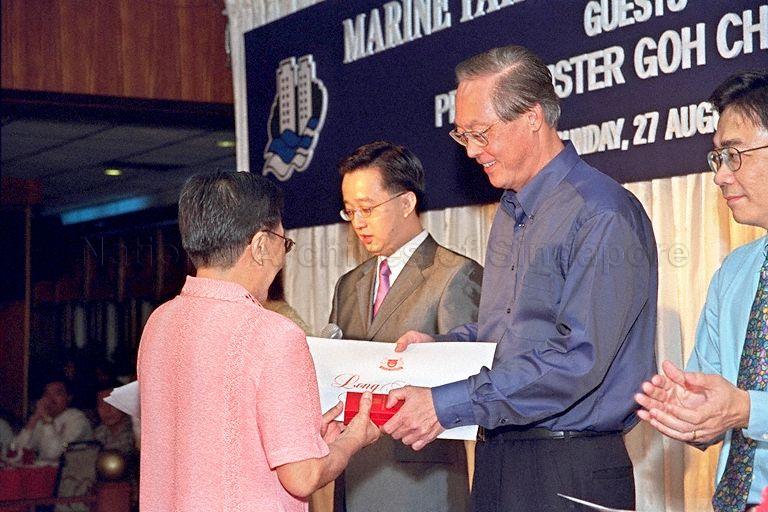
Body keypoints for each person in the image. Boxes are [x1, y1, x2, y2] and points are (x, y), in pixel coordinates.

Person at [386, 45, 658, 511]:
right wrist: (446, 347)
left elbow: (578, 359)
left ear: (533, 116)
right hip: (499, 456)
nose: (471, 151)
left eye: (481, 133)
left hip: (570, 464)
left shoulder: (601, 213)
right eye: (462, 135)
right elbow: (516, 330)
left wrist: (449, 403)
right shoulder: (512, 211)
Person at [137, 171, 379, 511]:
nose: (283, 257)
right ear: (261, 245)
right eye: (284, 243)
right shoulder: (274, 334)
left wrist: (309, 438)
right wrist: (354, 439)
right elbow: (303, 476)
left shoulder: (159, 323)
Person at [635, 70, 768, 511]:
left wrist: (749, 409)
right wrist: (690, 411)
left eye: (734, 155)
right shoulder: (734, 273)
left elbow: (741, 406)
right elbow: (716, 403)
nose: (721, 176)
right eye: (718, 158)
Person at [329, 141, 482, 512]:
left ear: (406, 202)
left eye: (367, 208)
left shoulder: (455, 276)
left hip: (423, 482)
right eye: (350, 212)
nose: (358, 222)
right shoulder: (349, 284)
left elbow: (471, 387)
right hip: (353, 473)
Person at [14, 379, 93, 462]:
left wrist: (47, 421)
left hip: (74, 472)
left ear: (69, 398)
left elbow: (54, 454)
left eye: (57, 394)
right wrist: (34, 418)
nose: (50, 399)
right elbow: (18, 451)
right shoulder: (42, 420)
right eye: (47, 394)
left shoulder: (78, 419)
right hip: (45, 471)